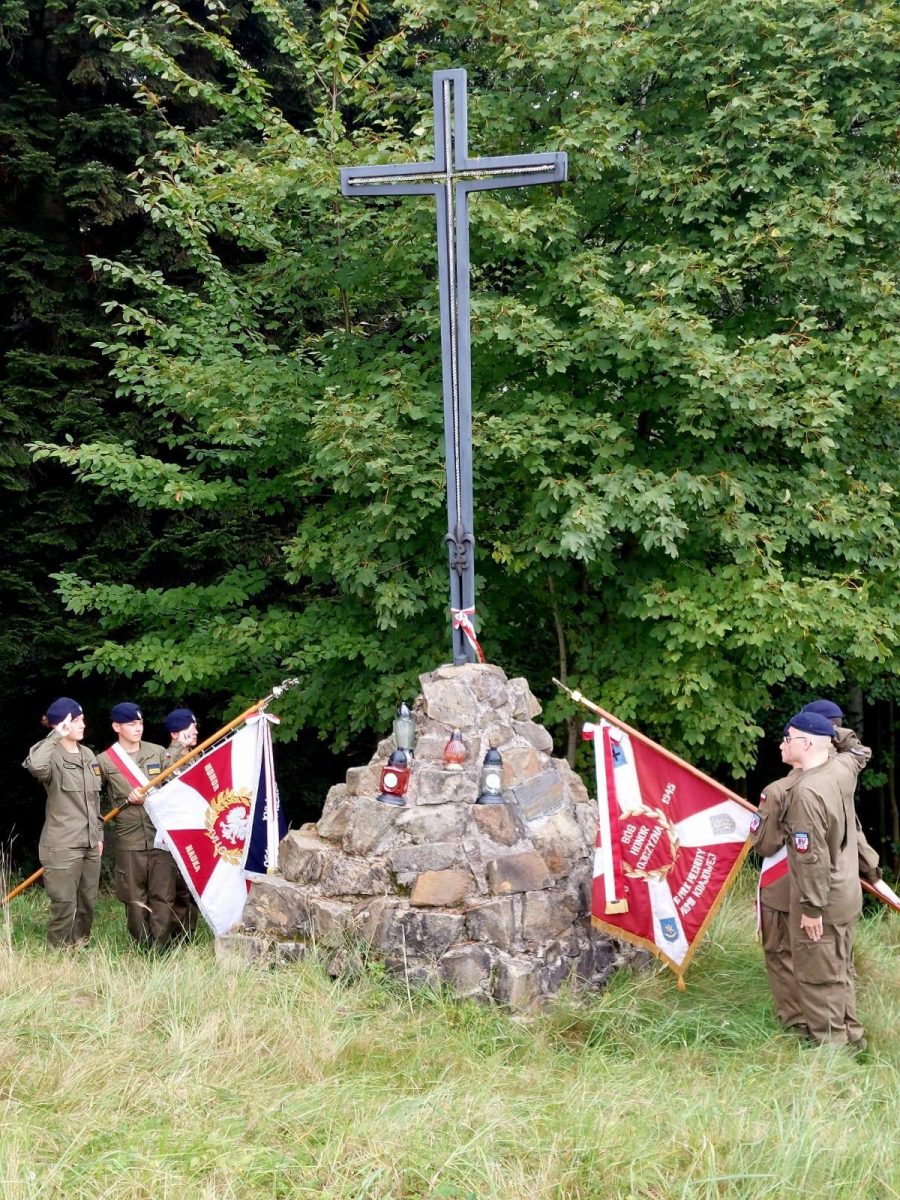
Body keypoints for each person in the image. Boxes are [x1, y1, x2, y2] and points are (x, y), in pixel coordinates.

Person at [775, 709, 881, 1048]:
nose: (783, 743)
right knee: (840, 971)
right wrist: (830, 731)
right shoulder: (842, 768)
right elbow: (859, 749)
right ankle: (853, 1038)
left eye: (789, 738)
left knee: (819, 978)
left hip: (825, 898)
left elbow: (811, 858)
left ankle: (831, 1052)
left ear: (806, 744)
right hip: (847, 893)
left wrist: (811, 908)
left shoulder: (806, 792)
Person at [22, 698, 103, 947]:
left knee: (87, 901)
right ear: (62, 724)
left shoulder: (88, 754)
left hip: (91, 842)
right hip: (63, 843)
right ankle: (58, 952)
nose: (83, 725)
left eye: (82, 720)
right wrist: (56, 735)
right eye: (76, 721)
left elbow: (94, 800)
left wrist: (99, 835)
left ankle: (79, 947)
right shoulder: (50, 753)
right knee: (64, 903)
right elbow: (37, 767)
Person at [98, 702, 176, 948]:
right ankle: (142, 947)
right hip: (128, 838)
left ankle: (160, 948)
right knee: (133, 898)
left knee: (163, 896)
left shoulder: (158, 752)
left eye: (140, 723)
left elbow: (175, 791)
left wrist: (150, 799)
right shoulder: (105, 761)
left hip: (160, 836)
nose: (138, 728)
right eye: (132, 724)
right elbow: (91, 797)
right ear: (116, 727)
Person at [164, 707, 200, 940]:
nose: (195, 732)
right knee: (179, 887)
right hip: (178, 830)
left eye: (195, 728)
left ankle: (189, 933)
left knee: (193, 886)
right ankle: (177, 935)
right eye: (190, 728)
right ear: (175, 733)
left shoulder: (196, 755)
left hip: (196, 827)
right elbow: (165, 778)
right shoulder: (167, 758)